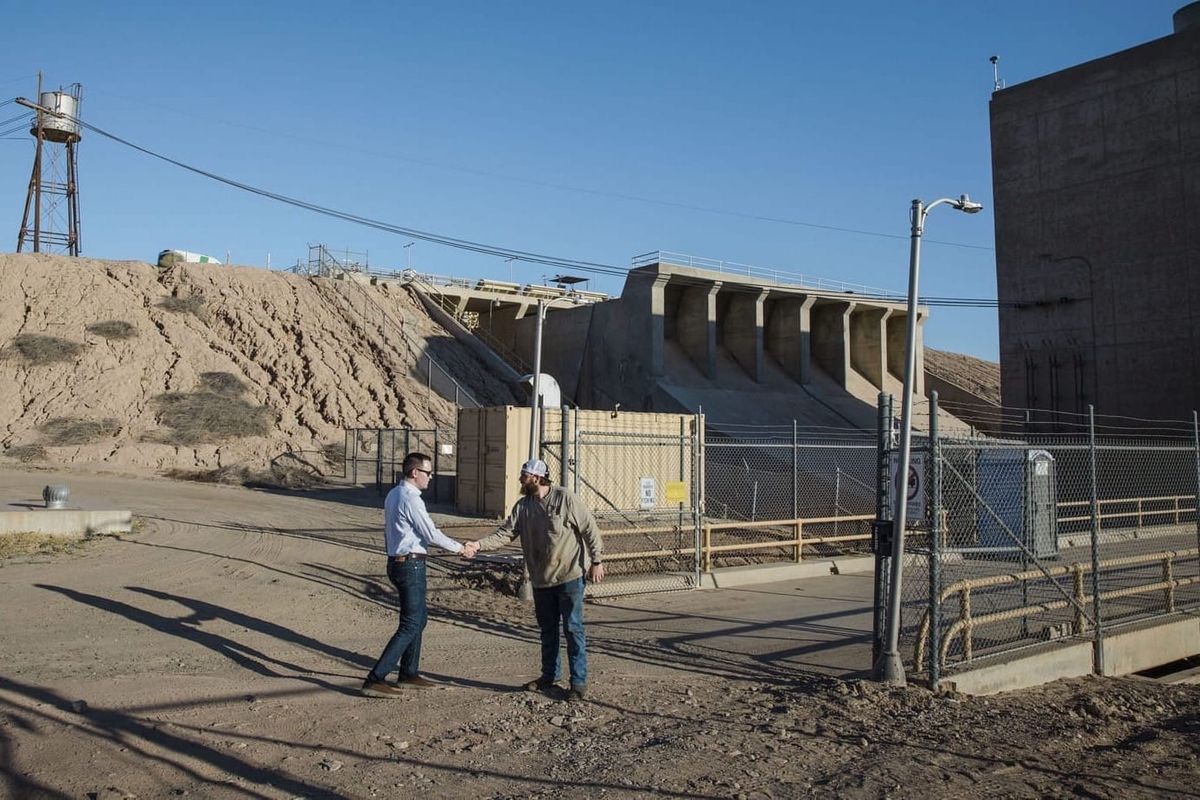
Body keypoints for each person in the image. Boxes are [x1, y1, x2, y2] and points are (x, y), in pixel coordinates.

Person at [462, 458, 604, 702]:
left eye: (524, 475)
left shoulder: (564, 498)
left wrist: (597, 561)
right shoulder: (523, 507)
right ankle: (549, 676)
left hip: (569, 575)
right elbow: (506, 533)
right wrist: (478, 544)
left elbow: (589, 529)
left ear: (537, 478)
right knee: (548, 630)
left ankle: (578, 682)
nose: (520, 479)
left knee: (572, 628)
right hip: (541, 580)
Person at [362, 451, 467, 698]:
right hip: (410, 564)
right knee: (411, 623)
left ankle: (408, 673)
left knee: (418, 619)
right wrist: (460, 548)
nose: (431, 477)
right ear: (414, 472)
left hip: (402, 562)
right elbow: (430, 533)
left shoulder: (394, 494)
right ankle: (375, 678)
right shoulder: (410, 499)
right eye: (428, 473)